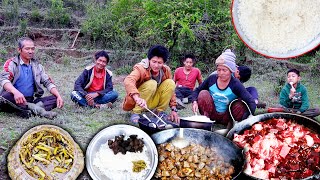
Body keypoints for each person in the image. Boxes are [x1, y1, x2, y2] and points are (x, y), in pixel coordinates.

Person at [0, 37, 64, 119]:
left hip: (29, 99)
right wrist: (16, 92)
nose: (30, 51)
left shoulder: (37, 66)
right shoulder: (12, 63)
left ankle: (26, 110)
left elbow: (48, 82)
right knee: (5, 97)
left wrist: (59, 96)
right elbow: (4, 79)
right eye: (27, 49)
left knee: (55, 99)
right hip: (13, 98)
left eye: (32, 49)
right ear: (19, 50)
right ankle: (38, 110)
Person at [191, 49, 256, 128]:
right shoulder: (212, 79)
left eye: (224, 70)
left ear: (231, 71)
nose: (221, 73)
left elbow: (251, 102)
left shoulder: (236, 84)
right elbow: (197, 90)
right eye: (219, 70)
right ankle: (206, 121)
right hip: (212, 113)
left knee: (240, 104)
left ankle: (231, 124)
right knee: (203, 93)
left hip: (227, 116)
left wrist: (247, 118)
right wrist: (194, 102)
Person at [122, 45, 179, 123]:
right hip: (139, 101)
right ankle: (136, 112)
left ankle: (159, 112)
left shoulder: (166, 70)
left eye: (159, 63)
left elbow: (171, 91)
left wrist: (173, 108)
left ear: (164, 62)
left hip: (152, 102)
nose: (156, 65)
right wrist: (137, 98)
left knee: (171, 83)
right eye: (154, 61)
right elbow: (128, 80)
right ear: (149, 60)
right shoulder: (141, 68)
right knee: (152, 83)